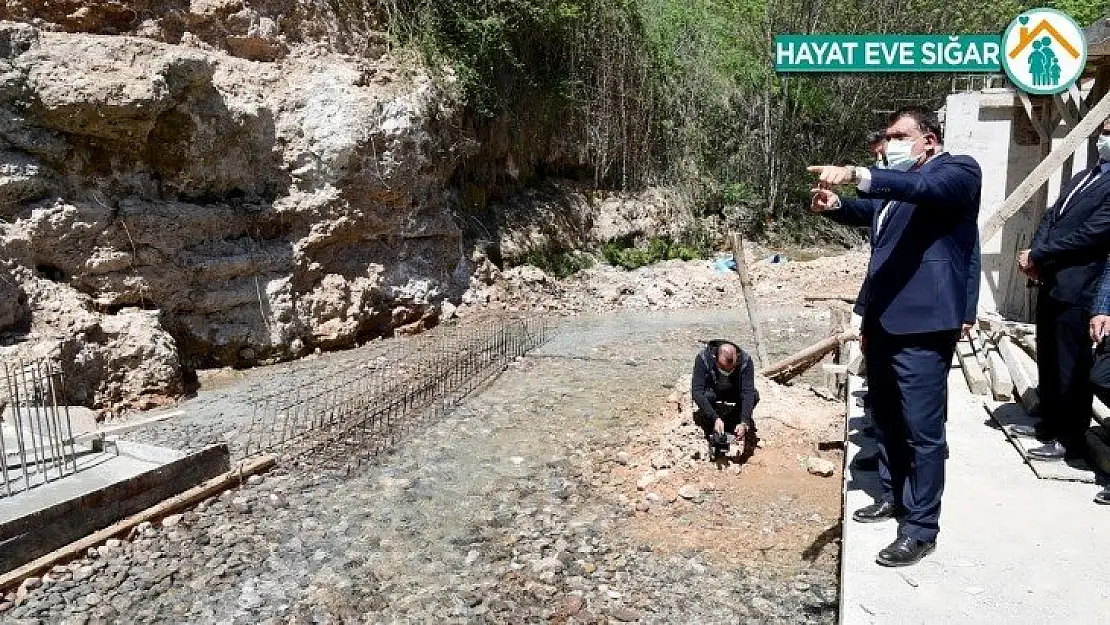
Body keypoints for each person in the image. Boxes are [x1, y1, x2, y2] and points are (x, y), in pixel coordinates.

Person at [809, 105, 981, 567]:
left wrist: (855, 173)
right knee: (885, 416)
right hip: (884, 321)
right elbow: (876, 213)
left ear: (929, 138)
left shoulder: (957, 171)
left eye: (899, 135)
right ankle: (893, 496)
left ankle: (921, 527)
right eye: (888, 136)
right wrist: (838, 205)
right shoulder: (900, 186)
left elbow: (920, 189)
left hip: (925, 325)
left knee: (923, 431)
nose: (891, 143)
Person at [1015, 117, 1110, 462]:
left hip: (1082, 284)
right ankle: (1049, 422)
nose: (1105, 138)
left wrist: (1040, 252)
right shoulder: (1085, 176)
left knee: (1073, 364)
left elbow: (1094, 233)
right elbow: (1051, 216)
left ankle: (1071, 437)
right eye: (1104, 132)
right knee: (1050, 355)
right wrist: (1034, 255)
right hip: (1052, 279)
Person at [690, 340, 759, 456]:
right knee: (705, 397)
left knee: (754, 396)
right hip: (713, 391)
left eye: (731, 369)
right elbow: (697, 391)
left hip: (733, 391)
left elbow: (748, 392)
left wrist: (744, 421)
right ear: (715, 358)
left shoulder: (745, 361)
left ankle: (731, 423)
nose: (727, 372)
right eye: (724, 369)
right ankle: (712, 424)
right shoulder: (703, 358)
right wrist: (714, 417)